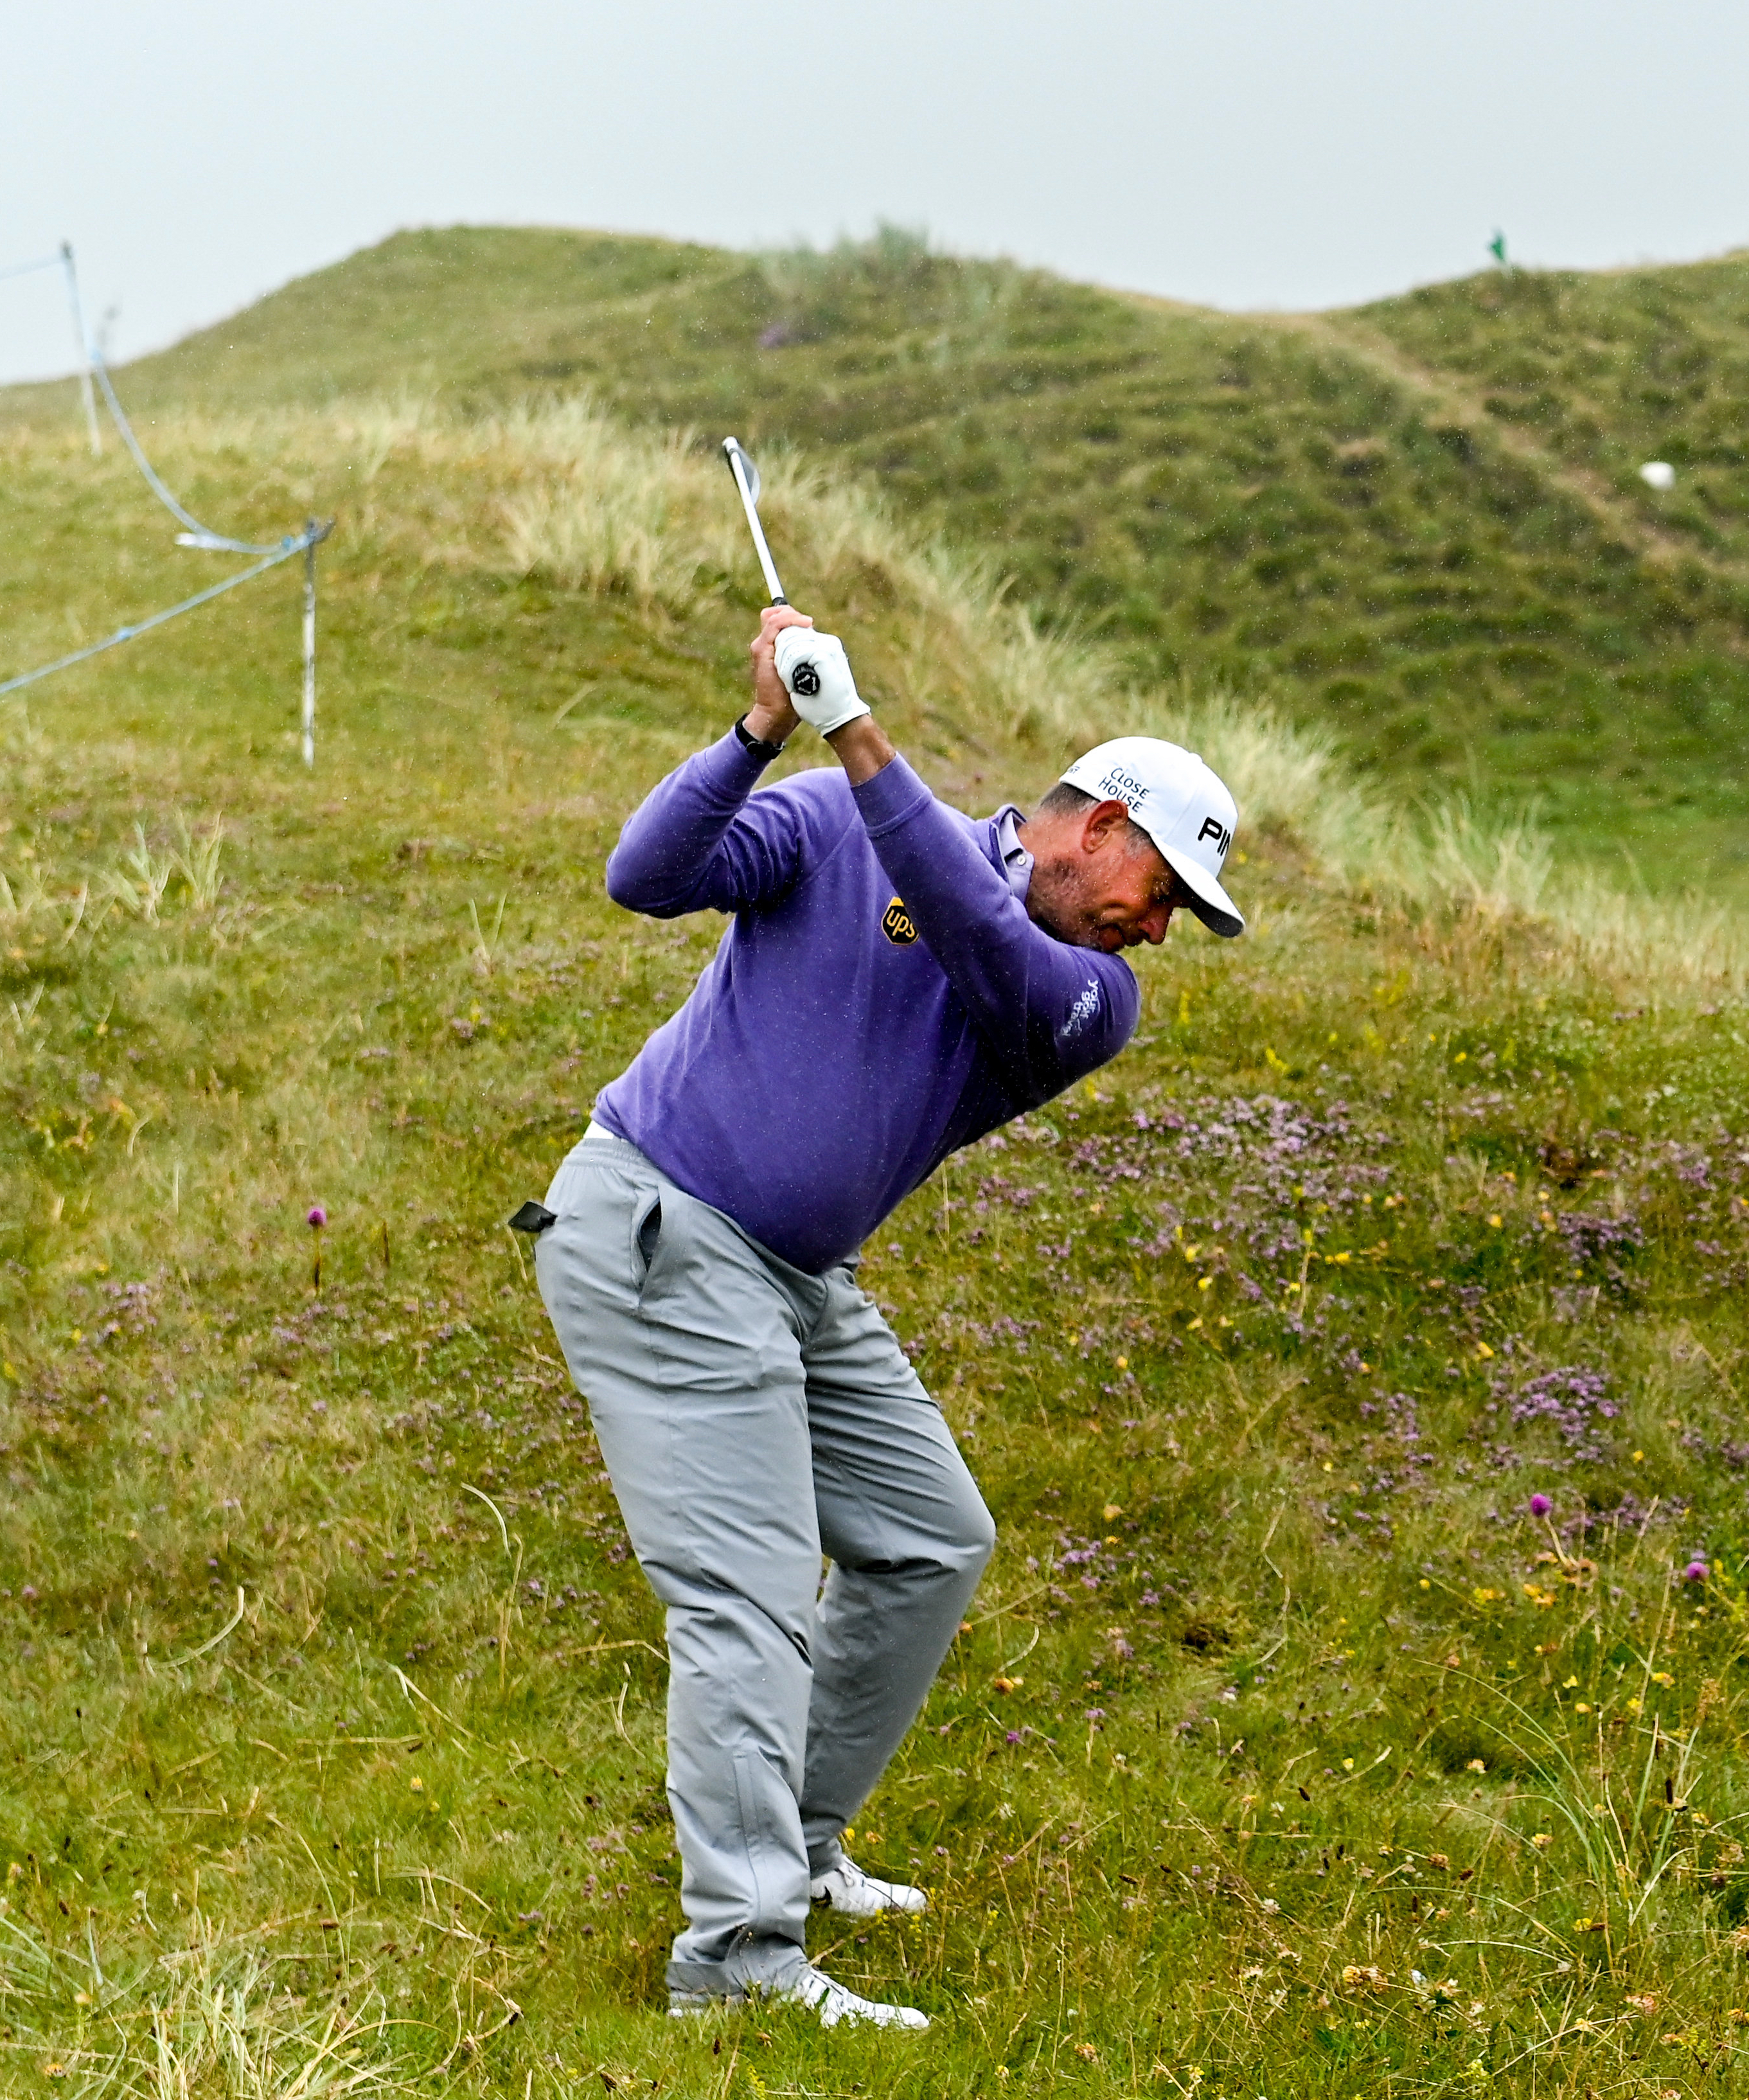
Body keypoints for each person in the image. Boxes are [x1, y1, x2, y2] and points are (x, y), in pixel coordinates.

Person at [520, 604, 1244, 2031]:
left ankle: (799, 1839)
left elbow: (979, 936)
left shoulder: (1092, 997)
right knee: (747, 1595)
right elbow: (643, 875)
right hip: (662, 1224)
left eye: (1175, 919)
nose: (1158, 927)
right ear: (1094, 825)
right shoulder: (834, 824)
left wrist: (860, 734)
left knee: (931, 1534)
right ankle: (737, 1958)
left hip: (798, 1275)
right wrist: (762, 732)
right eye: (1160, 887)